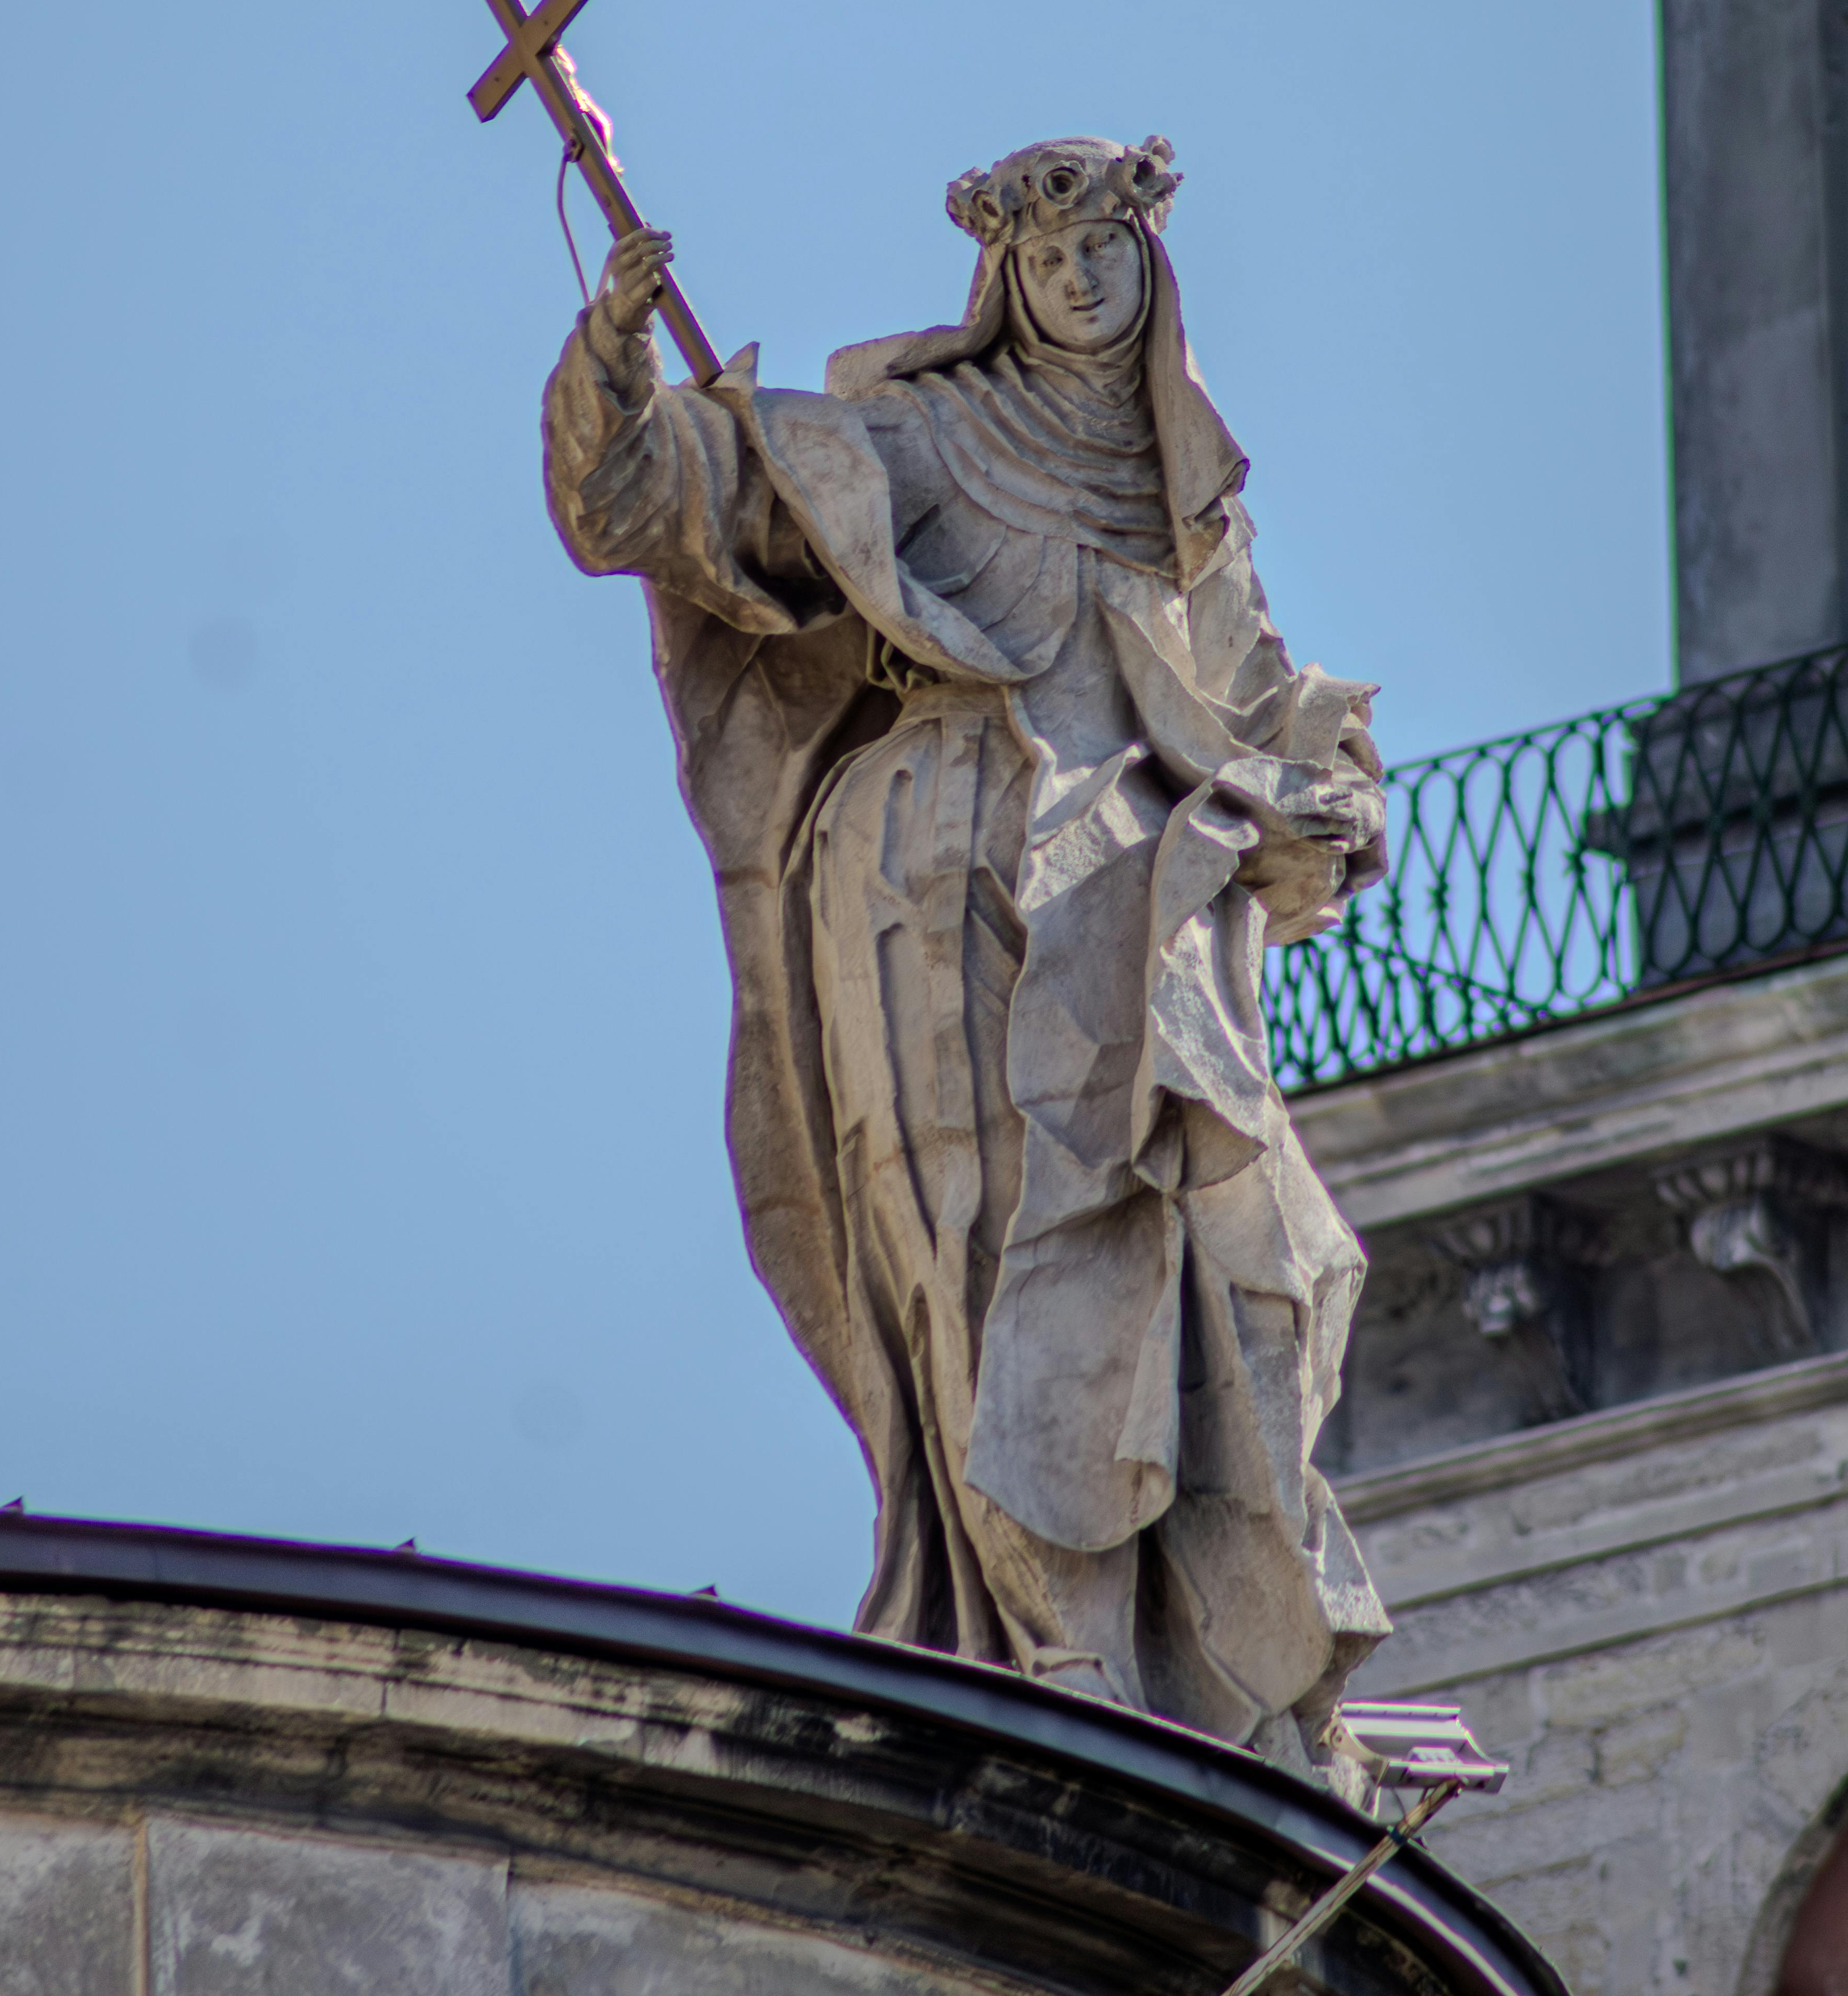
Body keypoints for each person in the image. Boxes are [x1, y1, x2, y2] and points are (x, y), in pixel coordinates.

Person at [543, 134, 1390, 1745]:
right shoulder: (921, 434)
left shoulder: (1191, 512)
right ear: (1004, 278)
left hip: (1139, 920)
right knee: (980, 1247)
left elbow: (1264, 709)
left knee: (1254, 1262)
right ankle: (1038, 1630)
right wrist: (621, 363)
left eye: (1107, 255)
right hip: (940, 880)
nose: (1078, 279)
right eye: (1050, 259)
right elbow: (661, 501)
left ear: (1154, 275)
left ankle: (1191, 1659)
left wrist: (1329, 799)